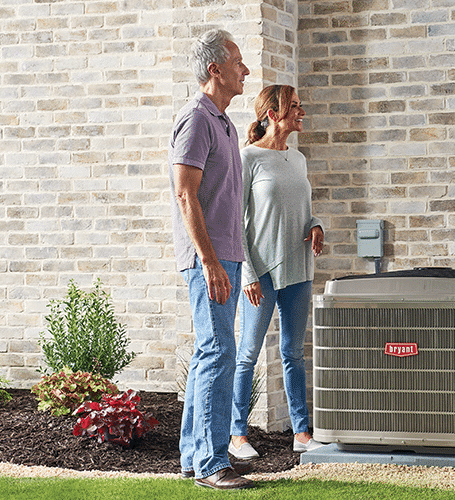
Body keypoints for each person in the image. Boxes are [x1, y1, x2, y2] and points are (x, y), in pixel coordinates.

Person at [169, 28, 255, 490]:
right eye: (238, 62)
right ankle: (209, 463)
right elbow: (186, 193)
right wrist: (209, 261)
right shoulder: (196, 118)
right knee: (218, 351)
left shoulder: (224, 122)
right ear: (214, 69)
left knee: (212, 354)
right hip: (210, 259)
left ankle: (193, 455)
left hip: (226, 255)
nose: (246, 70)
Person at [228, 85, 326, 460]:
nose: (302, 112)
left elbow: (304, 208)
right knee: (248, 354)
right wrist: (248, 274)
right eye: (295, 107)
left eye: (300, 105)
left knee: (293, 353)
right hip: (262, 272)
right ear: (273, 114)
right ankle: (237, 435)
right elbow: (235, 222)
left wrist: (317, 225)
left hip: (299, 267)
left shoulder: (298, 159)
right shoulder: (248, 158)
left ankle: (301, 432)